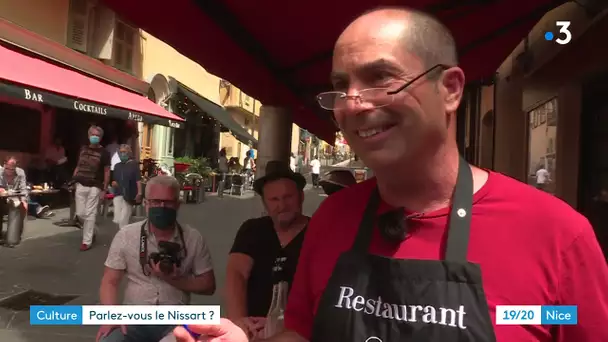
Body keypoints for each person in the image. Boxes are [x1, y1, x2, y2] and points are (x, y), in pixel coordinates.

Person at [174, 6, 608, 342]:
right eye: (342, 86)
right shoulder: (332, 219)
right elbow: (302, 331)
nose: (353, 103)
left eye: (381, 78)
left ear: (451, 89)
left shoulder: (556, 236)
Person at [98, 175, 216, 342]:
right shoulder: (127, 235)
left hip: (175, 321)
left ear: (177, 204)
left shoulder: (192, 238)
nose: (161, 207)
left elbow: (209, 285)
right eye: (155, 202)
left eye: (167, 202)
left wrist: (173, 279)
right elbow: (109, 281)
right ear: (146, 204)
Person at [225, 161, 309, 339]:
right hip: (253, 330)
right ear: (265, 203)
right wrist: (239, 322)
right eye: (274, 199)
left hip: (297, 334)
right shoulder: (253, 229)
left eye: (288, 197)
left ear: (301, 197)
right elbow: (237, 273)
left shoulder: (317, 230)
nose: (282, 205)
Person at [73, 125, 111, 251]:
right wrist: (74, 178)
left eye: (97, 135)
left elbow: (106, 171)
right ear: (89, 136)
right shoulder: (83, 149)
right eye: (93, 134)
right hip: (81, 182)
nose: (95, 137)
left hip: (95, 185)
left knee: (90, 213)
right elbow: (79, 164)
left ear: (100, 138)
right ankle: (93, 229)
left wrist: (105, 188)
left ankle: (86, 241)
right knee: (80, 213)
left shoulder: (105, 153)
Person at [111, 144, 143, 229]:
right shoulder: (117, 166)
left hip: (128, 194)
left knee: (123, 219)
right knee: (117, 219)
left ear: (129, 153)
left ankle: (122, 237)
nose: (122, 154)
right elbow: (114, 179)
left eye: (124, 152)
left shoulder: (133, 165)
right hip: (118, 194)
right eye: (120, 152)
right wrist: (113, 183)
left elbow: (138, 180)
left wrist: (139, 193)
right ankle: (124, 233)